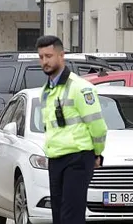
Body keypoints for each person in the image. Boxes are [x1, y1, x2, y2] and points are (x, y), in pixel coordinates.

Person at [37, 35, 107, 224]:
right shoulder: (46, 90)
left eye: (49, 56)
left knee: (71, 217)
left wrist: (97, 153)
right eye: (41, 57)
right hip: (56, 158)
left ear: (62, 56)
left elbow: (98, 126)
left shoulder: (80, 88)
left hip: (78, 157)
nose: (45, 61)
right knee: (59, 216)